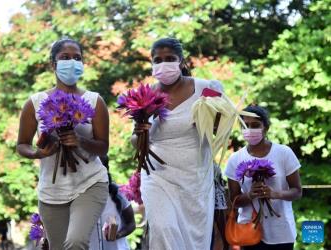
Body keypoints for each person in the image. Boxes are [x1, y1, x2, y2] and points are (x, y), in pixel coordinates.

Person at [16, 38, 110, 250]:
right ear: (53, 64)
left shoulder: (95, 101)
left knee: (75, 243)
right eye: (65, 58)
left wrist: (81, 141)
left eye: (77, 58)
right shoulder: (35, 102)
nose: (72, 62)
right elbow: (22, 144)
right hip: (51, 191)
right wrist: (37, 154)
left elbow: (104, 147)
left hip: (90, 184)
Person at [131, 37, 223, 250]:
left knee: (193, 241)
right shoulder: (145, 96)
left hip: (195, 180)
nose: (164, 64)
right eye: (158, 60)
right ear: (152, 63)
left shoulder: (205, 89)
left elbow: (218, 129)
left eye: (170, 58)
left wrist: (213, 112)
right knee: (164, 232)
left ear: (181, 61)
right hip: (157, 177)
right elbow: (136, 142)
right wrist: (139, 130)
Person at [224, 105, 302, 250]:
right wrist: (250, 195)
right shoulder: (235, 159)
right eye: (245, 125)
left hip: (281, 232)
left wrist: (275, 193)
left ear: (265, 128)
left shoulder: (284, 153)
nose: (250, 129)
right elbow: (234, 200)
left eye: (255, 125)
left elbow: (297, 191)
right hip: (248, 230)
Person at [90, 156, 136, 250]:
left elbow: (131, 224)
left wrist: (118, 234)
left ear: (106, 169)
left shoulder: (119, 193)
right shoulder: (78, 198)